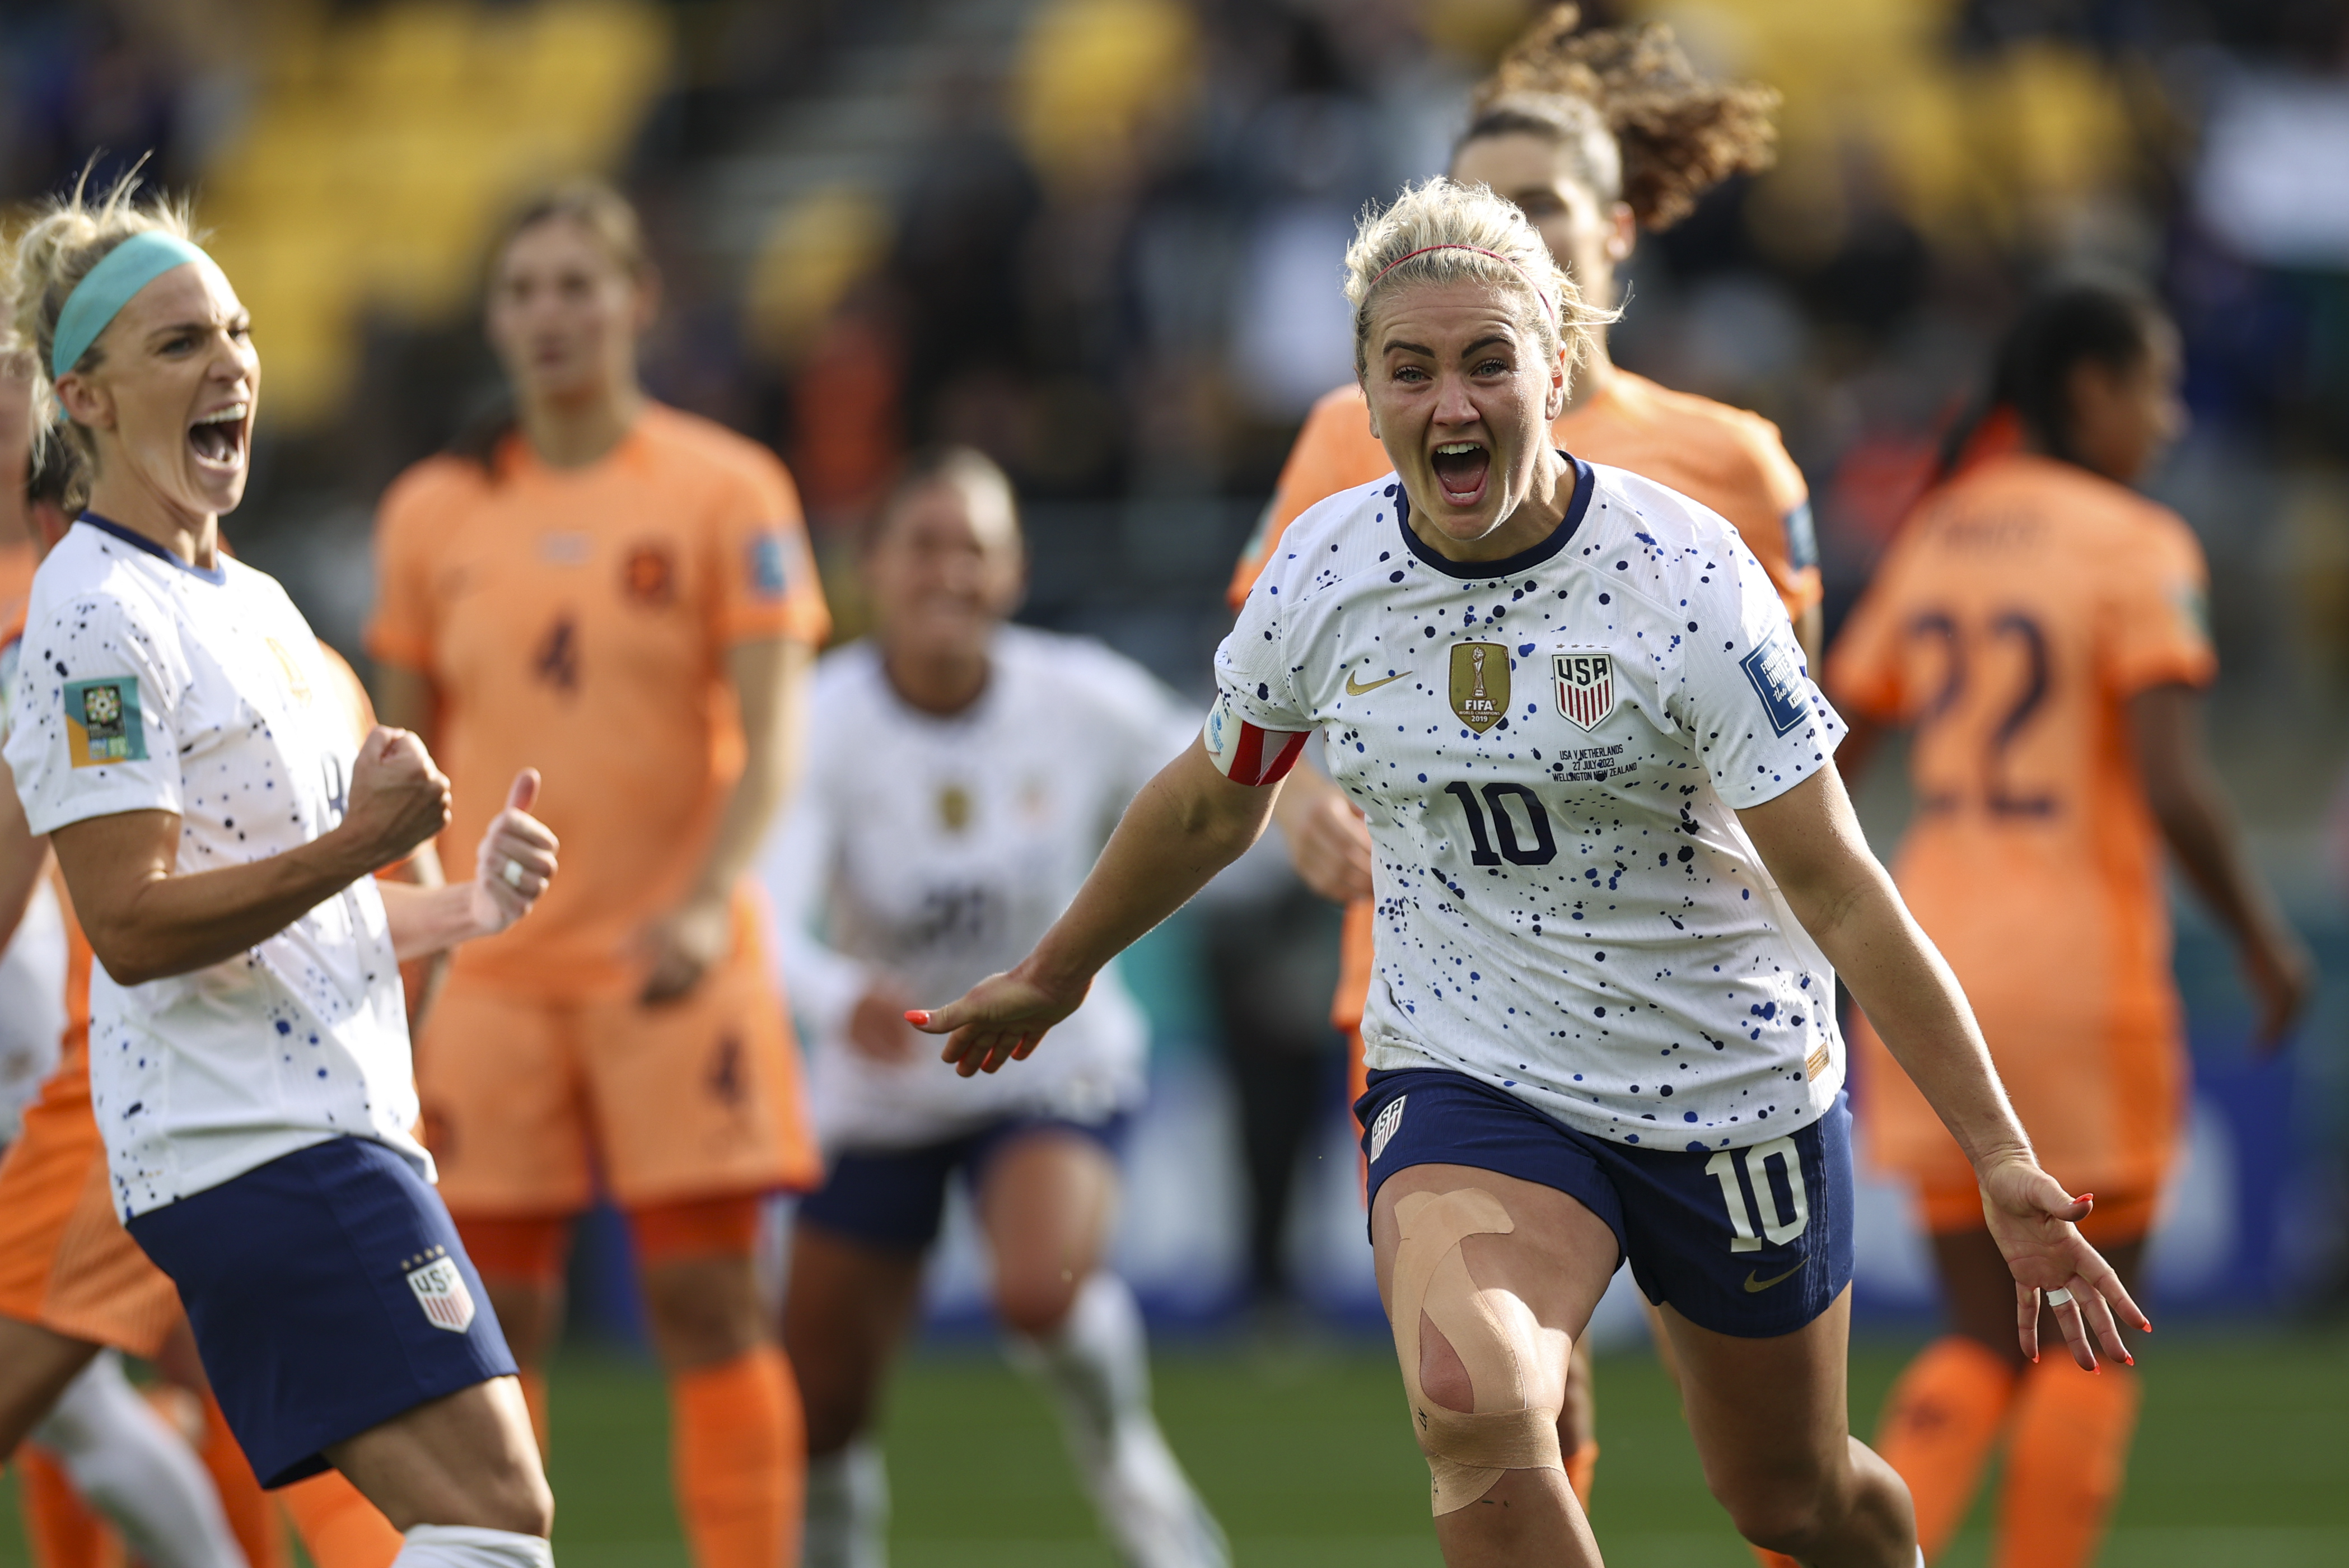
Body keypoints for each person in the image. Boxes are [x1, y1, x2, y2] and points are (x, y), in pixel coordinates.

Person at [910, 178, 2145, 1568]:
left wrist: (2000, 1156)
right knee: (1473, 1398)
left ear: (1556, 367)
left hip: (1721, 1077)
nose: (1452, 403)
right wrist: (1057, 970)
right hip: (1471, 1068)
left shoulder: (1687, 578)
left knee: (1790, 1497)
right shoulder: (1322, 571)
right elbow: (1213, 801)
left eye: (1488, 360)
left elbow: (1841, 885)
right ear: (1364, 393)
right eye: (1411, 368)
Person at [1232, 2, 1814, 1504]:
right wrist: (1292, 798)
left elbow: (1799, 741)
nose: (1512, 234)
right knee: (1499, 1407)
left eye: (1541, 209)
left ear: (1610, 235)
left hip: (1688, 997)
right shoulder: (1348, 438)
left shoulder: (1724, 467)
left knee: (1769, 1475)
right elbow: (1263, 693)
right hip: (1445, 989)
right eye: (1481, 207)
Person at [4, 178, 563, 1566]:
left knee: (485, 1516)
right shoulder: (88, 611)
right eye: (180, 341)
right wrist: (360, 844)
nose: (230, 361)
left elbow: (309, 897)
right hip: (248, 1138)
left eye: (238, 330)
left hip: (318, 1121)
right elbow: (127, 922)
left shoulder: (251, 600)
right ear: (85, 398)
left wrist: (457, 900)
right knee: (493, 1520)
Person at [367, 180, 830, 1568]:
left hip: (668, 955)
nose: (552, 313)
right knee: (484, 1315)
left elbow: (770, 737)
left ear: (638, 300)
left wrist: (704, 897)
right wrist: (423, 931)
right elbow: (401, 762)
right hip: (493, 974)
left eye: (579, 283)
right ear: (496, 318)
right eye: (524, 289)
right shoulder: (432, 509)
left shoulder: (725, 486)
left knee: (704, 1299)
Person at [1826, 278, 2313, 1568]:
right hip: (2081, 977)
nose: (2165, 418)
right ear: (2090, 388)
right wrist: (2264, 941)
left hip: (1931, 971)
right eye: (2151, 386)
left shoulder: (1939, 533)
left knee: (1980, 1338)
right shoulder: (2135, 541)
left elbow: (1822, 746)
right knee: (2090, 1339)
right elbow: (2170, 784)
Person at [759, 447, 1227, 1568]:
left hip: (1049, 1056)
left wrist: (1315, 816)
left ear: (1013, 570)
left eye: (974, 547)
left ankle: (1129, 1468)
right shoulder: (818, 716)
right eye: (921, 545)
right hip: (882, 1080)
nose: (947, 573)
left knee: (1037, 1287)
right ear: (869, 567)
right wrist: (837, 995)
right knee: (817, 1410)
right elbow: (758, 904)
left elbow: (1221, 776)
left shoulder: (1078, 692)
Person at [0, 380, 408, 1568]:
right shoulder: (272, 622)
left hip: (128, 1085)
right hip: (238, 1080)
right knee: (418, 1455)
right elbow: (408, 880)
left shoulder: (72, 625)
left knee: (440, 1470)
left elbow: (57, 907)